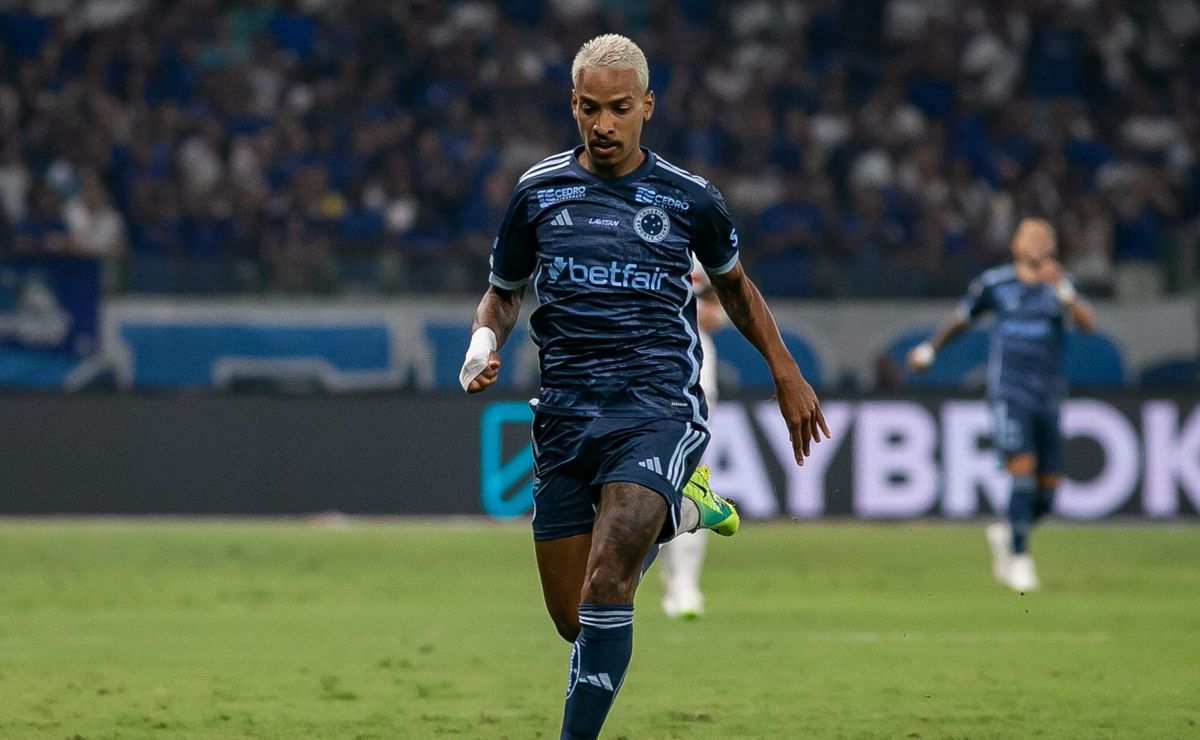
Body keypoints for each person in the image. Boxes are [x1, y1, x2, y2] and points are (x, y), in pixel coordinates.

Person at [460, 34, 828, 740]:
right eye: (590, 109)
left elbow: (737, 290)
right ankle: (685, 511)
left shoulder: (689, 199)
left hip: (655, 407)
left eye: (619, 109)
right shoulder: (538, 192)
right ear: (572, 104)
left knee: (607, 583)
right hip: (565, 415)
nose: (603, 125)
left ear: (647, 107)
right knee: (577, 619)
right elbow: (502, 294)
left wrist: (787, 373)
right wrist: (483, 342)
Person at [907, 218, 1096, 592]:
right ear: (1015, 245)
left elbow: (1088, 324)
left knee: (1049, 490)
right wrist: (930, 349)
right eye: (1031, 235)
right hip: (1010, 390)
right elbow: (961, 320)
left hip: (1049, 393)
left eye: (1046, 235)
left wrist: (1063, 289)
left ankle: (1008, 531)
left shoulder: (1059, 285)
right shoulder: (996, 284)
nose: (1039, 240)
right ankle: (1022, 558)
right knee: (1021, 466)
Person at [657, 260, 726, 620]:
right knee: (647, 480)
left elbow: (719, 309)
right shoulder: (632, 231)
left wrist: (702, 310)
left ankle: (685, 582)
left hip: (694, 371)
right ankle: (657, 571)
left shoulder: (703, 240)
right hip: (643, 366)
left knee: (691, 480)